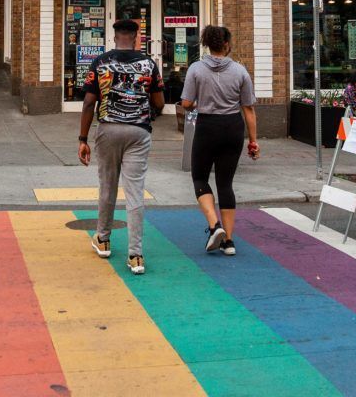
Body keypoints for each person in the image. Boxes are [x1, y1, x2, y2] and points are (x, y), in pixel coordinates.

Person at [79, 19, 165, 275]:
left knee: (108, 185)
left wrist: (83, 139)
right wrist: (146, 111)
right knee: (135, 191)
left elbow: (88, 103)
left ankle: (103, 239)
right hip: (138, 131)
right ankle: (136, 255)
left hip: (108, 129)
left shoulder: (101, 62)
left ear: (114, 37)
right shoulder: (149, 64)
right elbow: (160, 102)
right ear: (137, 37)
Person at [180, 26, 259, 257]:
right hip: (233, 127)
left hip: (207, 126)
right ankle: (229, 242)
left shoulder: (196, 69)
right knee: (226, 183)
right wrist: (253, 141)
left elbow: (186, 103)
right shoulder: (240, 71)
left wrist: (197, 104)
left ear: (207, 44)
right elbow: (249, 108)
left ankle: (215, 226)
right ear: (226, 44)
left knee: (200, 177)